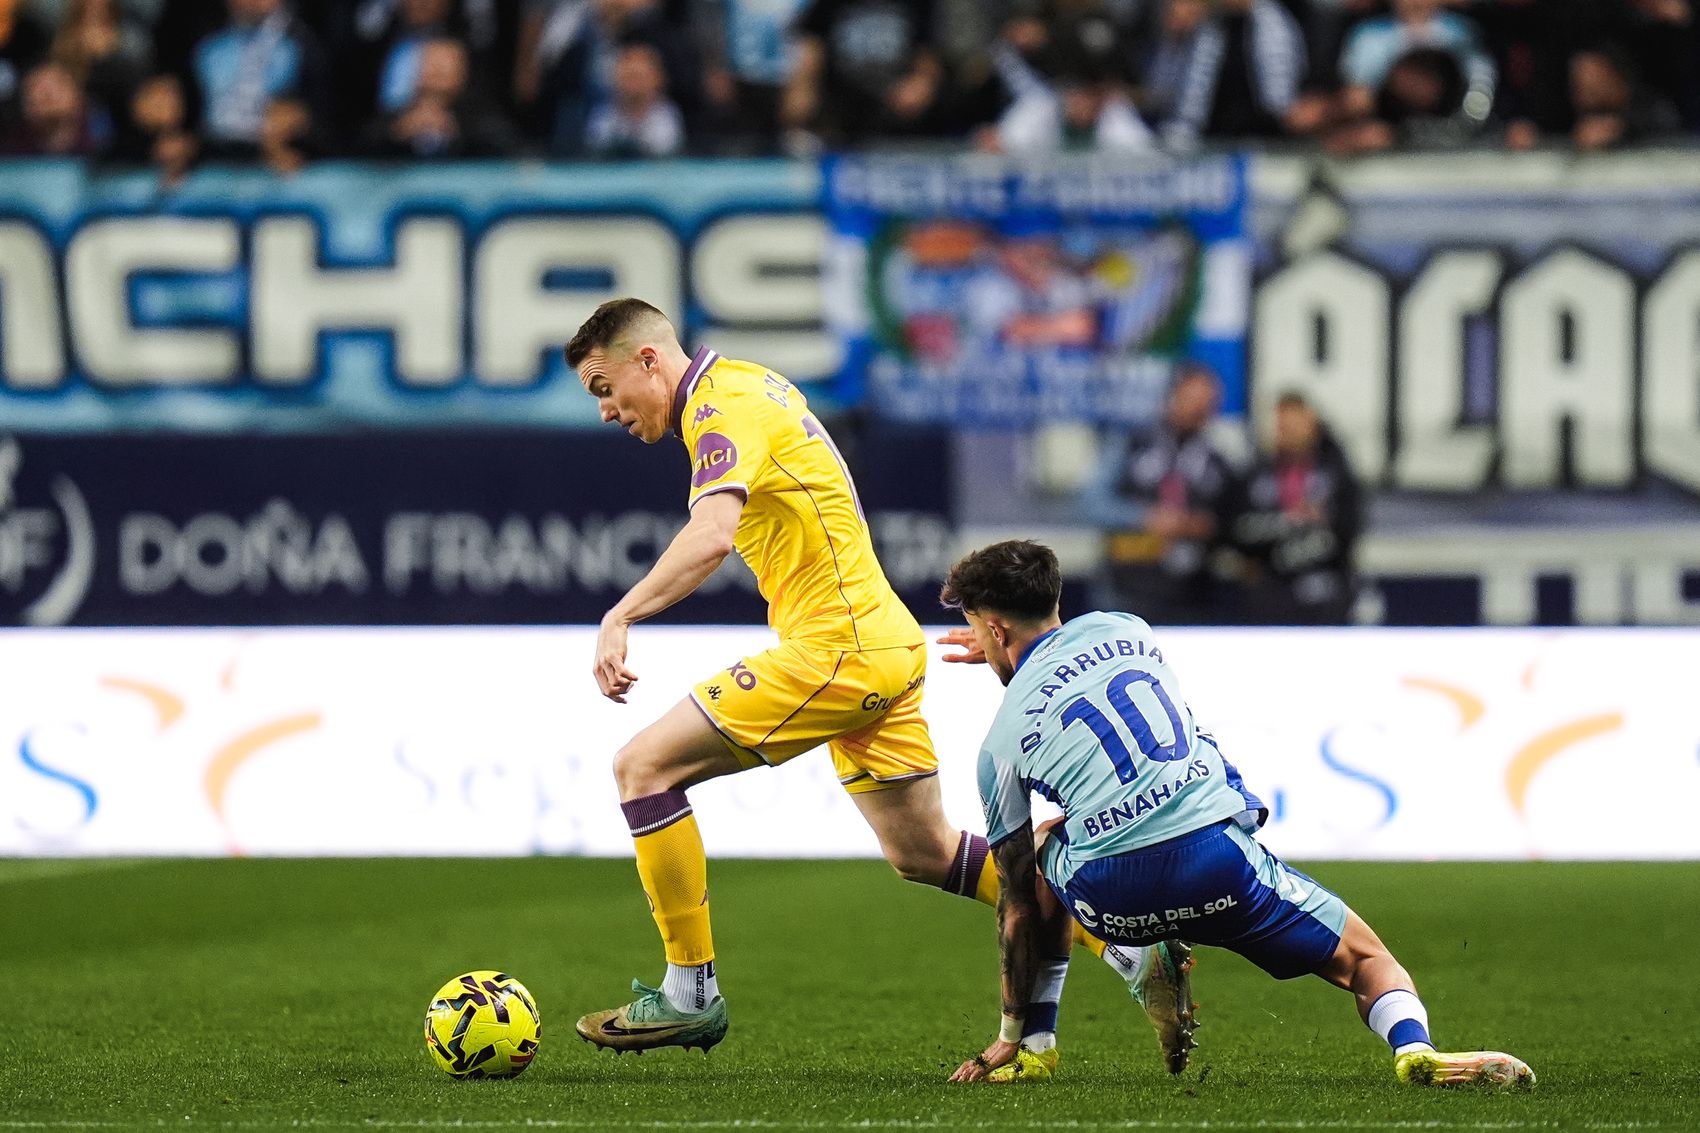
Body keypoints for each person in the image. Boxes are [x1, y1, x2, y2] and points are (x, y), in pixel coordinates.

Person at [564, 298, 1194, 1075]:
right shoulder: (746, 385)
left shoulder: (720, 408)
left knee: (643, 767)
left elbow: (713, 534)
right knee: (924, 851)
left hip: (840, 648)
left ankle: (690, 992)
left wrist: (622, 613)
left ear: (649, 361)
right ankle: (1132, 949)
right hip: (879, 640)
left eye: (603, 385)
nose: (604, 411)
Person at [934, 538, 1536, 1090]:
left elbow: (1015, 908)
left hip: (1111, 896)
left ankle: (1039, 1043)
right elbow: (1077, 684)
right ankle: (1415, 1052)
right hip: (1218, 862)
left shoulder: (996, 746)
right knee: (1366, 960)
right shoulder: (1128, 628)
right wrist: (1008, 651)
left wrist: (1005, 1035)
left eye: (981, 634)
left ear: (993, 627)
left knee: (1036, 858)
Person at [1080, 363, 1248, 625]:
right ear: (1172, 397)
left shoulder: (1219, 463)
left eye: (1206, 404)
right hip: (1125, 592)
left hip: (1191, 596)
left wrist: (1206, 526)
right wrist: (1144, 518)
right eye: (1191, 400)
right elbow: (1090, 505)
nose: (1197, 410)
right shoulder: (1131, 445)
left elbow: (1234, 523)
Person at [1231, 392, 1363, 625]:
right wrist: (1290, 522)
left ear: (1312, 424)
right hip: (1270, 598)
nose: (1288, 431)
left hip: (1328, 598)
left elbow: (1347, 530)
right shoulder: (1256, 476)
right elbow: (1238, 531)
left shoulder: (1336, 475)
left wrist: (1290, 547)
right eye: (1283, 424)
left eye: (1295, 423)